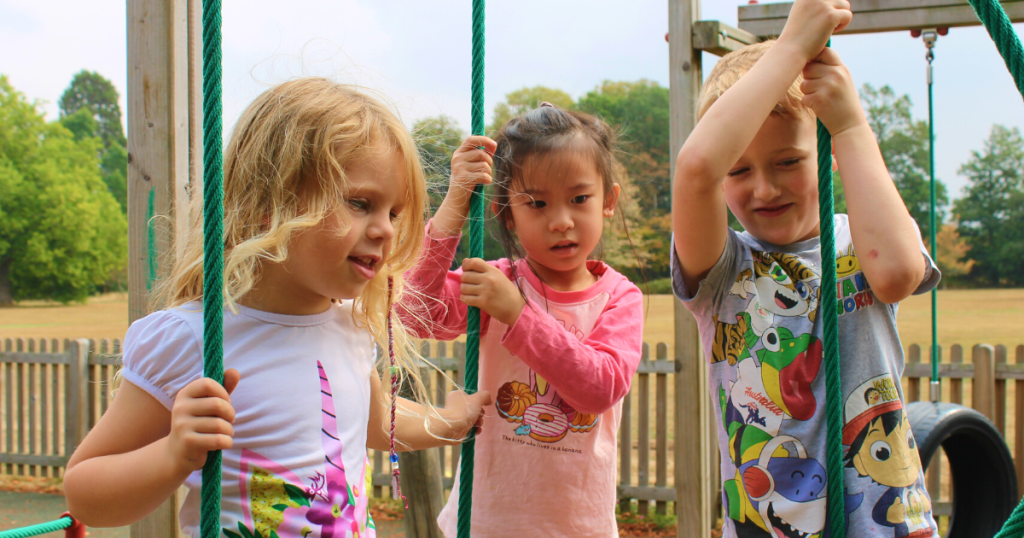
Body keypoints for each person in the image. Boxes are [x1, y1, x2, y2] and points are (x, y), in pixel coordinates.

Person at [63, 78, 491, 538]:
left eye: (393, 213)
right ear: (271, 203)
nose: (385, 230)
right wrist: (172, 454)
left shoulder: (351, 327)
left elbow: (374, 419)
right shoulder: (193, 340)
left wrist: (451, 420)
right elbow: (86, 492)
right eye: (361, 203)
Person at [670, 0, 940, 536]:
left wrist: (850, 123)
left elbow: (896, 276)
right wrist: (792, 47)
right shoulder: (724, 267)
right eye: (739, 169)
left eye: (788, 162)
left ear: (828, 154)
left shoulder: (863, 234)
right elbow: (697, 167)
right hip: (771, 522)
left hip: (887, 524)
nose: (764, 189)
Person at [403, 103, 645, 537]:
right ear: (508, 214)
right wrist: (456, 202)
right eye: (537, 203)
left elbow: (600, 387)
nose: (561, 221)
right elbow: (412, 311)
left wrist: (516, 313)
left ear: (608, 200)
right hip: (489, 519)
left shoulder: (619, 298)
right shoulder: (496, 282)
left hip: (577, 525)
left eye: (579, 198)